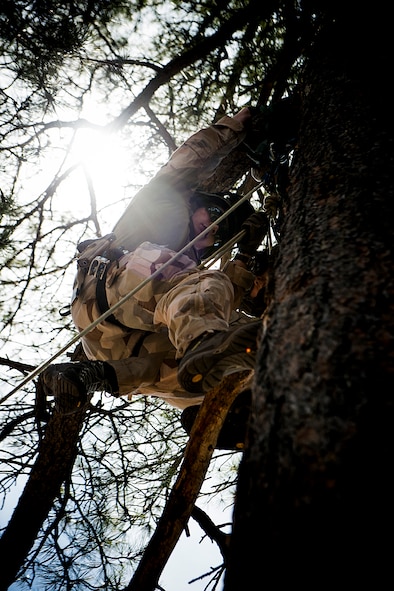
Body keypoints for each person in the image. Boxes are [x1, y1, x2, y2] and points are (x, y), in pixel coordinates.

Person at [39, 107, 269, 413]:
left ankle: (235, 404)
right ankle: (204, 344)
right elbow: (189, 159)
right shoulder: (165, 201)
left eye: (221, 234)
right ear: (198, 203)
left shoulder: (184, 274)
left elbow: (218, 304)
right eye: (213, 215)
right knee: (198, 288)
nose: (214, 228)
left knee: (187, 361)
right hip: (112, 282)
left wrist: (245, 254)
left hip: (107, 347)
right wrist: (234, 126)